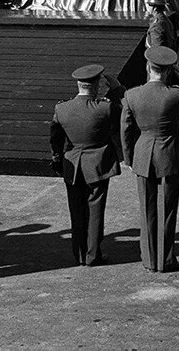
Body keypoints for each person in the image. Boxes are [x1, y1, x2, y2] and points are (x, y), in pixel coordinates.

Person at [121, 46, 179, 272]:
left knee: (146, 210)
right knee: (167, 210)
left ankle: (149, 259)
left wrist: (129, 159)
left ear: (148, 67)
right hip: (169, 155)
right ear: (169, 71)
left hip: (143, 155)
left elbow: (126, 130)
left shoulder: (131, 95)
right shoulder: (176, 95)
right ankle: (165, 259)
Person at [50, 64, 123, 267]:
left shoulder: (62, 108)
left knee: (77, 212)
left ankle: (80, 254)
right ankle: (93, 254)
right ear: (97, 85)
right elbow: (124, 109)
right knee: (95, 211)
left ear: (79, 85)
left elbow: (55, 138)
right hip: (98, 165)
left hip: (72, 165)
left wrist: (57, 159)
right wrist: (117, 88)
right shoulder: (104, 107)